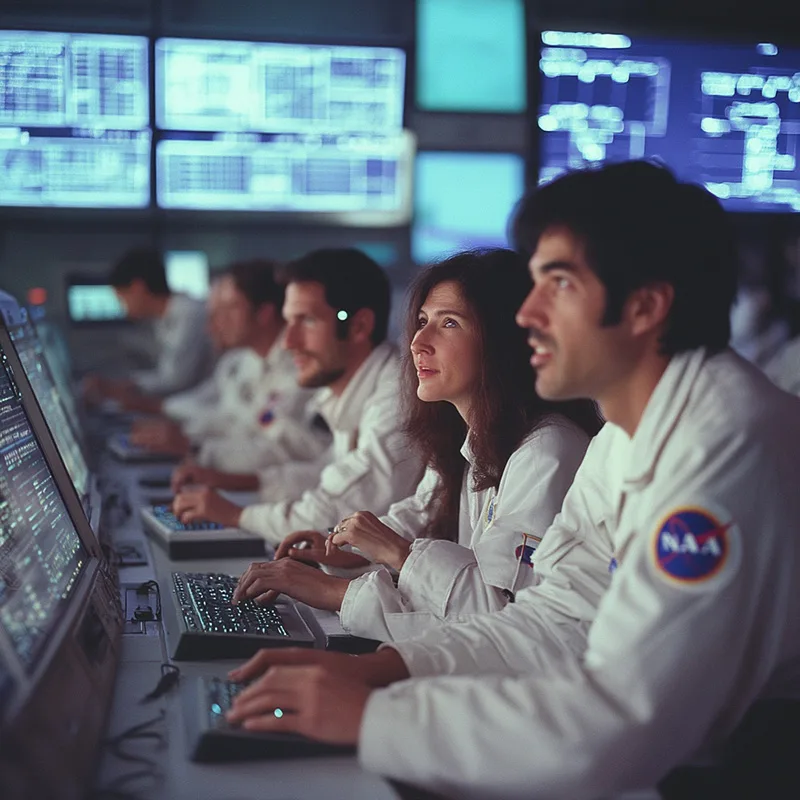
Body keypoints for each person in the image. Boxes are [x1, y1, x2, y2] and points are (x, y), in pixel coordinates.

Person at [221, 162, 800, 800]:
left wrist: (371, 715)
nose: (525, 314)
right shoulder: (622, 437)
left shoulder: (720, 445)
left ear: (644, 307)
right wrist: (385, 669)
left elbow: (620, 722)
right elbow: (555, 617)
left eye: (557, 283)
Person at [232, 249, 601, 642]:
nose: (418, 342)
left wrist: (359, 579)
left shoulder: (547, 451)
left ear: (503, 340)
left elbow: (504, 616)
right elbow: (417, 516)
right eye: (422, 322)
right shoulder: (473, 439)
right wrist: (337, 551)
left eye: (449, 323)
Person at [172, 248, 425, 546]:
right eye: (288, 321)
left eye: (306, 321)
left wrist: (237, 515)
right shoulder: (354, 390)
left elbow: (333, 510)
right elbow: (325, 472)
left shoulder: (397, 398)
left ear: (358, 327)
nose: (289, 342)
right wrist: (240, 482)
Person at [131, 259, 327, 472]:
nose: (213, 324)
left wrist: (195, 446)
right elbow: (230, 420)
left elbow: (280, 450)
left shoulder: (300, 369)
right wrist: (185, 434)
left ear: (264, 313)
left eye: (228, 309)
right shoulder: (241, 360)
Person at [84, 247, 212, 405]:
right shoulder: (161, 319)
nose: (124, 309)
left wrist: (118, 387)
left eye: (122, 299)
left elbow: (175, 379)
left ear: (138, 288)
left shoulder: (189, 314)